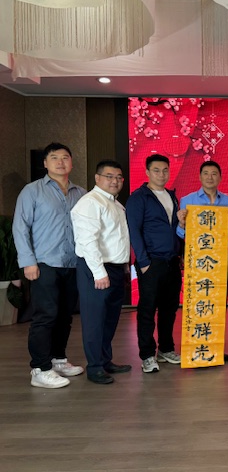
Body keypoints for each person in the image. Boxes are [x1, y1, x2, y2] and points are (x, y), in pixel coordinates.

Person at [13, 142, 86, 388]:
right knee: (45, 316)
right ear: (45, 163)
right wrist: (28, 262)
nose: (60, 162)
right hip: (44, 263)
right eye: (54, 157)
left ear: (71, 162)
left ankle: (58, 360)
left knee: (65, 316)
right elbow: (20, 227)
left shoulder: (81, 193)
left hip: (72, 263)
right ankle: (40, 368)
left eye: (65, 157)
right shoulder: (32, 191)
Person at [70, 160, 131, 384]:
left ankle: (105, 360)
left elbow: (118, 239)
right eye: (109, 176)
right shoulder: (90, 202)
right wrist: (99, 272)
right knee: (95, 319)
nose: (115, 181)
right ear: (97, 178)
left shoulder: (115, 203)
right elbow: (87, 241)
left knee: (109, 319)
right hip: (96, 268)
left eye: (119, 177)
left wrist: (124, 266)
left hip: (114, 268)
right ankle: (94, 367)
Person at [126, 154, 182, 373]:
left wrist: (180, 254)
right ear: (147, 172)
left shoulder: (172, 196)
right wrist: (143, 262)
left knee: (169, 308)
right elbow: (134, 231)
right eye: (156, 170)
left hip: (172, 261)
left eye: (165, 170)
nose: (161, 174)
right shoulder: (139, 197)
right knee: (147, 309)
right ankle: (147, 355)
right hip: (151, 262)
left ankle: (166, 349)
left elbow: (176, 229)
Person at [176, 160, 228, 362]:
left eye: (214, 174)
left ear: (220, 177)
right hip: (197, 260)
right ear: (200, 176)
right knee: (198, 303)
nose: (210, 177)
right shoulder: (187, 200)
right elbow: (180, 233)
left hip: (220, 258)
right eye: (206, 173)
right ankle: (197, 349)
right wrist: (182, 223)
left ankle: (215, 349)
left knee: (218, 304)